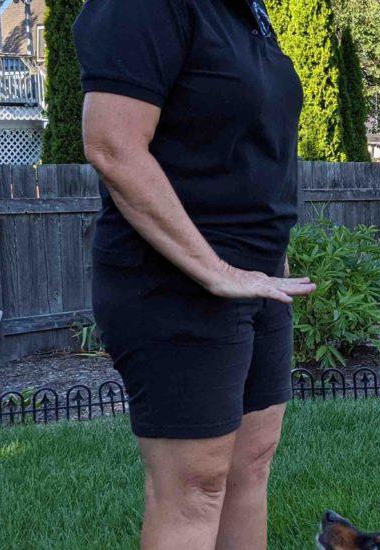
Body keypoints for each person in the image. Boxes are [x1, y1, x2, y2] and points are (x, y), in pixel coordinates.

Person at [73, 0, 316, 548]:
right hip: (172, 283)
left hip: (257, 279)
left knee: (249, 467)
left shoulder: (244, 11)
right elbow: (112, 145)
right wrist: (215, 269)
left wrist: (268, 262)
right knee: (196, 487)